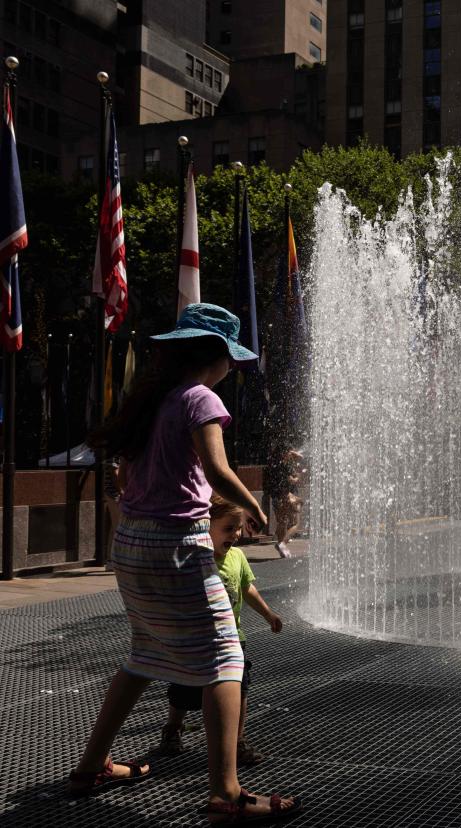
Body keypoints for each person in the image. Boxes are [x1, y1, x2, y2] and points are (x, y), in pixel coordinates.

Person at [69, 303, 299, 824]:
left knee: (144, 653)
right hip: (177, 546)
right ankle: (226, 794)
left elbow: (127, 483)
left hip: (131, 544)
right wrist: (257, 505)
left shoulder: (150, 403)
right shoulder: (200, 398)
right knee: (225, 659)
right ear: (216, 356)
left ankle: (90, 767)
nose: (232, 371)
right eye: (231, 361)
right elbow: (217, 470)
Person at [159, 495, 283, 766]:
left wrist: (268, 613)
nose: (236, 535)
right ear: (206, 526)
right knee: (184, 690)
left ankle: (236, 743)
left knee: (240, 690)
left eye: (238, 528)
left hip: (233, 639)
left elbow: (247, 588)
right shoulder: (196, 558)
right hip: (197, 639)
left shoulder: (237, 557)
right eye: (229, 528)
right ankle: (172, 730)